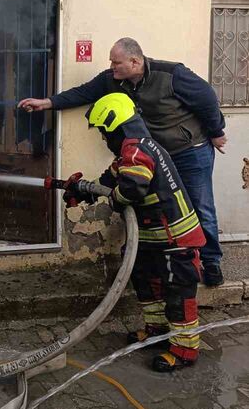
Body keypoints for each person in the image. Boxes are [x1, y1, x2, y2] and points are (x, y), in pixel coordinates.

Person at [18, 37, 226, 286]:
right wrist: (47, 103)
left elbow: (207, 99)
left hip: (190, 150)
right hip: (153, 157)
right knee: (153, 209)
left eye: (116, 62)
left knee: (200, 206)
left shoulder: (172, 74)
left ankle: (211, 263)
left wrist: (216, 132)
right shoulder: (112, 80)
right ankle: (160, 262)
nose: (111, 66)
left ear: (135, 61)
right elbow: (84, 92)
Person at [63, 93, 205, 372]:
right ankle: (157, 332)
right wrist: (84, 192)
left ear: (117, 126)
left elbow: (130, 189)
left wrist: (114, 198)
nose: (104, 138)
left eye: (105, 131)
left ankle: (185, 349)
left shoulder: (137, 150)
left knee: (177, 295)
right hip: (152, 239)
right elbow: (111, 178)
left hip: (174, 239)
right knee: (145, 282)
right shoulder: (132, 150)